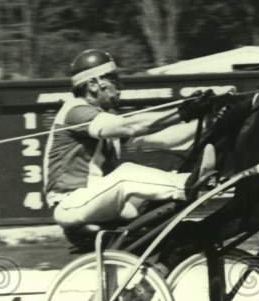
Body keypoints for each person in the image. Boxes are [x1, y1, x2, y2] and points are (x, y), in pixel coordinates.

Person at [43, 48, 216, 230]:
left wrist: (209, 122)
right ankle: (188, 184)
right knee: (125, 175)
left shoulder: (104, 118)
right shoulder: (75, 110)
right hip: (70, 203)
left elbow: (165, 140)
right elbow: (130, 125)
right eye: (114, 79)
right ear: (94, 84)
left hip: (97, 200)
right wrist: (183, 111)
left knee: (152, 200)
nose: (120, 86)